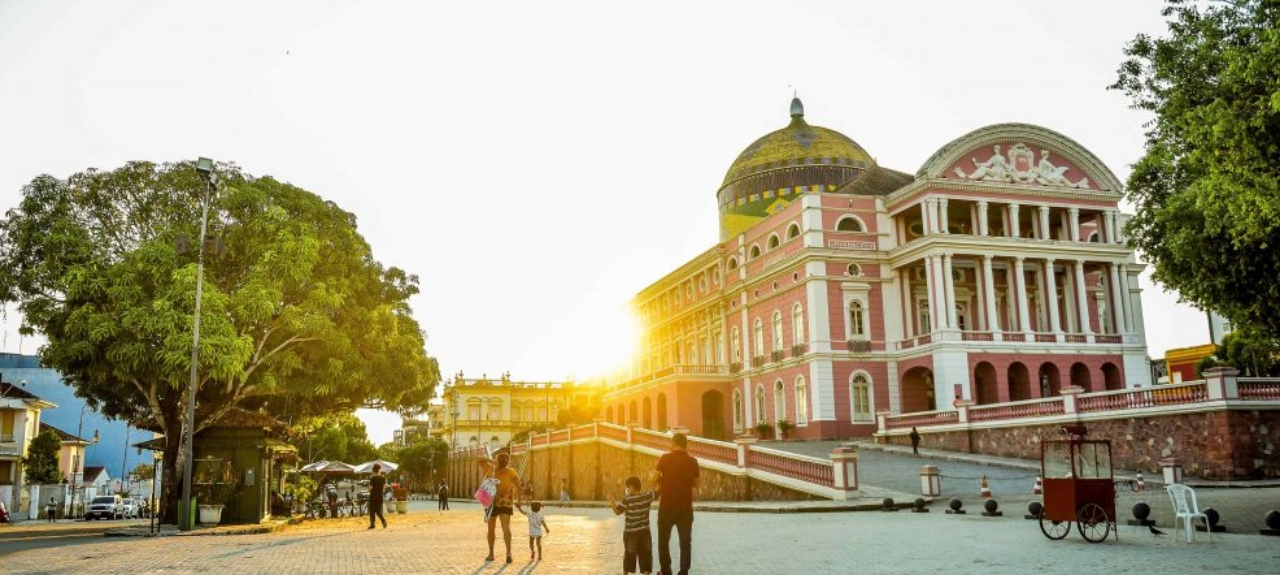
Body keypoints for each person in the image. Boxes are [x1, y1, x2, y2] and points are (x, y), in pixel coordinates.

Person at [655, 433, 699, 575]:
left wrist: (662, 482)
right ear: (686, 445)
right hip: (685, 508)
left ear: (673, 443)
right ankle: (684, 571)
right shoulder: (693, 461)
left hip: (666, 507)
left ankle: (666, 570)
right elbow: (697, 484)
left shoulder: (664, 458)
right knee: (685, 542)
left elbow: (653, 478)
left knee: (663, 541)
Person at [478, 451, 522, 563]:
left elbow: (479, 460)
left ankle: (491, 554)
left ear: (497, 460)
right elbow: (519, 488)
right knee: (506, 528)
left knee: (491, 528)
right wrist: (519, 502)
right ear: (508, 462)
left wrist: (491, 461)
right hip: (506, 503)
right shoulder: (511, 472)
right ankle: (508, 553)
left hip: (491, 502)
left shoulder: (491, 470)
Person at [609, 475, 657, 575]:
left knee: (629, 555)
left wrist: (612, 502)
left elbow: (618, 511)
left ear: (631, 487)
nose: (627, 489)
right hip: (645, 532)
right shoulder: (647, 495)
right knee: (646, 554)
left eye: (627, 487)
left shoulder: (627, 499)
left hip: (631, 533)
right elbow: (657, 492)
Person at [368, 463, 388, 529]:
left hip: (373, 496)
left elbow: (370, 488)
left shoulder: (372, 478)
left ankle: (372, 524)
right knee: (378, 510)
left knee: (372, 510)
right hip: (380, 496)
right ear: (379, 470)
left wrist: (369, 486)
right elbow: (384, 487)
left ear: (373, 471)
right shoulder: (383, 477)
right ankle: (383, 521)